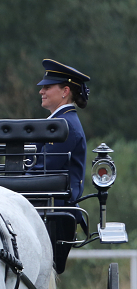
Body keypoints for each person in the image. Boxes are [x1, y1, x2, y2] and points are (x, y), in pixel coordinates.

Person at [32, 58, 90, 204]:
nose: (41, 91)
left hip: (55, 211)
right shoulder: (60, 121)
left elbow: (44, 169)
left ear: (65, 91)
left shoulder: (65, 125)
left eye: (47, 87)